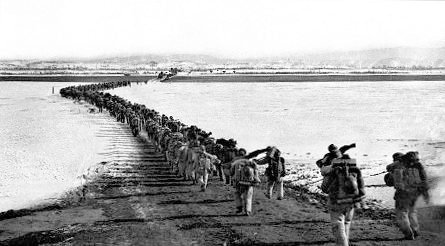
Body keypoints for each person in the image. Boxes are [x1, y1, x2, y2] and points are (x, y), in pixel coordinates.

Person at [319, 145, 365, 246]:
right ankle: (345, 242)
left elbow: (324, 188)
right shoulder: (355, 170)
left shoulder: (333, 169)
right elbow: (361, 189)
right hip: (350, 202)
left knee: (338, 224)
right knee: (347, 223)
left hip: (336, 202)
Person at [385, 151, 430, 240]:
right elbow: (424, 181)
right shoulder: (416, 166)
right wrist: (425, 195)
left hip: (402, 195)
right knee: (412, 212)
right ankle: (416, 231)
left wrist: (388, 175)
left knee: (401, 214)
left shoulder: (396, 167)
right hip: (415, 194)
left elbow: (390, 182)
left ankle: (408, 234)